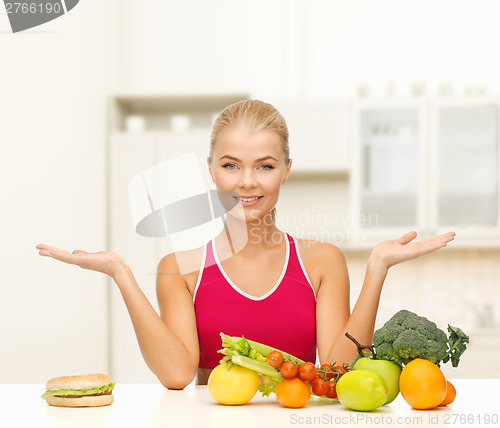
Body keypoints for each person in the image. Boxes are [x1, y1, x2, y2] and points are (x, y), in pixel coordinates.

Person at [36, 99, 455, 389]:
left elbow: (336, 369)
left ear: (287, 170)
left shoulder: (322, 262)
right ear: (211, 170)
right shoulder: (179, 270)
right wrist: (120, 273)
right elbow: (178, 375)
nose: (247, 181)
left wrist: (377, 267)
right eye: (231, 165)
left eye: (265, 166)